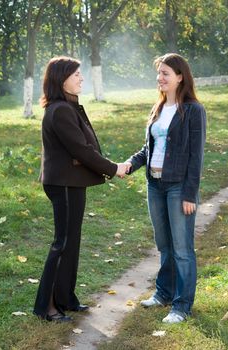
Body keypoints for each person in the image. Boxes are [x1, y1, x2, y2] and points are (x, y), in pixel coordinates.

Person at [33, 56, 127, 322]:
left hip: (69, 182)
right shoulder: (61, 110)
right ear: (61, 79)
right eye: (76, 74)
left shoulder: (66, 106)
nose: (81, 78)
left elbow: (82, 149)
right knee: (63, 243)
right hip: (63, 183)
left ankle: (66, 299)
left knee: (71, 242)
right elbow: (81, 150)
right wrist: (113, 167)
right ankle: (48, 307)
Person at [123, 53, 206, 324]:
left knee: (182, 248)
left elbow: (196, 156)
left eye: (165, 73)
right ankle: (164, 293)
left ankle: (181, 306)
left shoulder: (193, 110)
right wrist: (130, 164)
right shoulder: (158, 109)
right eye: (159, 73)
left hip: (178, 185)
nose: (160, 78)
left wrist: (189, 194)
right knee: (164, 245)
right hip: (154, 185)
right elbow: (149, 149)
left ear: (180, 77)